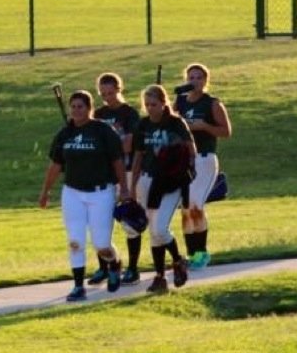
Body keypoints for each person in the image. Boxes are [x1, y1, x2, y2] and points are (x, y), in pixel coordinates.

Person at [39, 90, 129, 302]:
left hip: (101, 192)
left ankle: (114, 263)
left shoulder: (102, 131)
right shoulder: (65, 134)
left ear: (90, 108)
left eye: (81, 106)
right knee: (75, 240)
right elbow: (55, 165)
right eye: (74, 107)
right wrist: (45, 191)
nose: (77, 110)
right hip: (73, 192)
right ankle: (78, 286)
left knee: (101, 244)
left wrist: (124, 188)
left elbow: (117, 161)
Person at [131, 85, 194, 294]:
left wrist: (183, 167)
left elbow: (190, 150)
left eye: (154, 104)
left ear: (163, 103)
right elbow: (138, 155)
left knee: (159, 229)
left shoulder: (175, 123)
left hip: (170, 181)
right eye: (147, 105)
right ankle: (159, 276)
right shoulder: (143, 125)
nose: (151, 109)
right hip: (148, 180)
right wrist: (132, 186)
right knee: (152, 232)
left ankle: (178, 260)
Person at [174, 63, 232, 269]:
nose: (195, 81)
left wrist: (204, 126)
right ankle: (191, 254)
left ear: (206, 81)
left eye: (199, 78)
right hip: (183, 160)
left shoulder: (212, 103)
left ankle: (202, 253)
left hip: (204, 159)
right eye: (191, 77)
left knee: (196, 205)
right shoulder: (180, 101)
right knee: (186, 209)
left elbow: (225, 131)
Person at [90, 73, 142, 286]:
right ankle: (105, 267)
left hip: (127, 172)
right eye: (103, 94)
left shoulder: (129, 114)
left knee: (130, 222)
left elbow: (129, 144)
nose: (107, 98)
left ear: (119, 90)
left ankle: (133, 268)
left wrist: (106, 147)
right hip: (104, 175)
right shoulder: (98, 114)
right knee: (100, 223)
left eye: (111, 93)